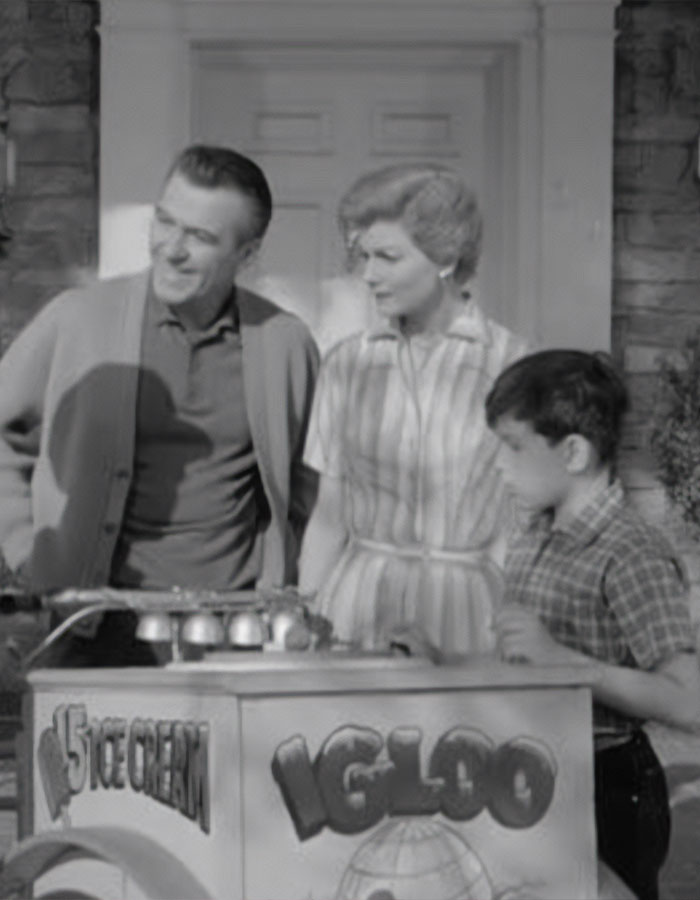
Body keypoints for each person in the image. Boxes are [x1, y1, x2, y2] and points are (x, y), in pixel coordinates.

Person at [0, 144, 319, 665]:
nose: (171, 248)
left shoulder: (286, 343)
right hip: (94, 621)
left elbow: (310, 490)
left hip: (236, 629)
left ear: (248, 253)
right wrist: (27, 550)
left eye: (200, 236)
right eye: (165, 221)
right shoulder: (79, 319)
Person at [485, 349, 700, 900]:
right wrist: (439, 659)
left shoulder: (630, 552)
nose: (498, 465)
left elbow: (688, 701)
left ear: (574, 451)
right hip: (535, 772)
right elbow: (522, 665)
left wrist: (567, 663)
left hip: (610, 785)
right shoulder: (531, 535)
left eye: (513, 447)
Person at [298, 162, 528, 656]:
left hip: (469, 614)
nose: (368, 275)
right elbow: (328, 517)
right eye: (363, 257)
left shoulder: (511, 364)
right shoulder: (347, 364)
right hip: (358, 607)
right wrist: (303, 620)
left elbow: (523, 522)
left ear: (445, 258)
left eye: (387, 257)